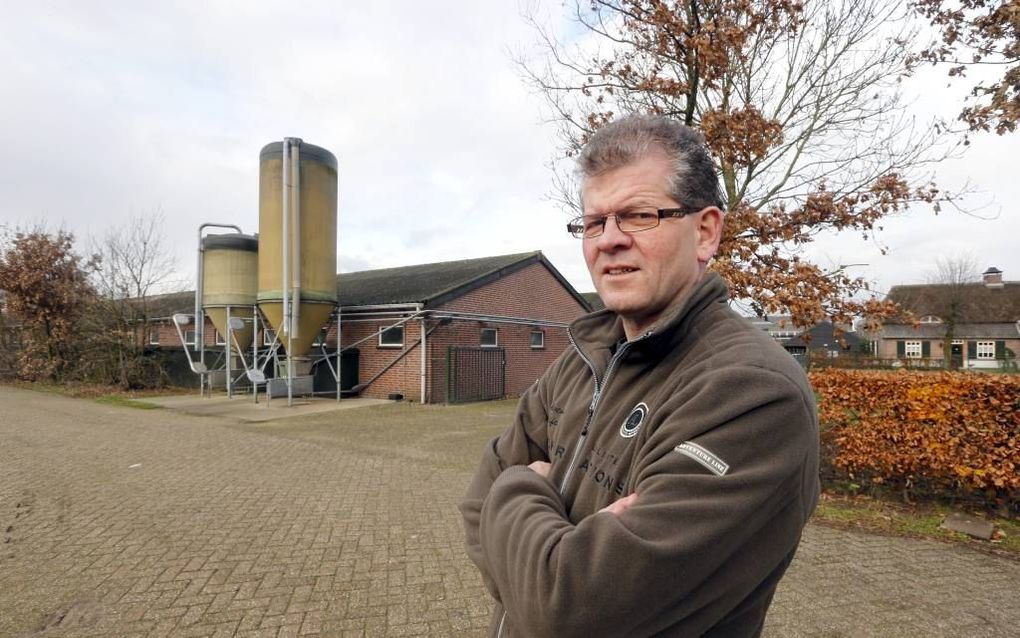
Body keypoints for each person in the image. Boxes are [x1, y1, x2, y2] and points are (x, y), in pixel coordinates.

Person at [459, 113, 819, 638]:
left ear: (705, 231)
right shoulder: (583, 357)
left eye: (638, 215)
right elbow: (474, 503)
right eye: (593, 222)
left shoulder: (753, 394)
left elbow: (570, 612)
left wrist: (515, 492)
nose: (609, 240)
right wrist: (541, 564)